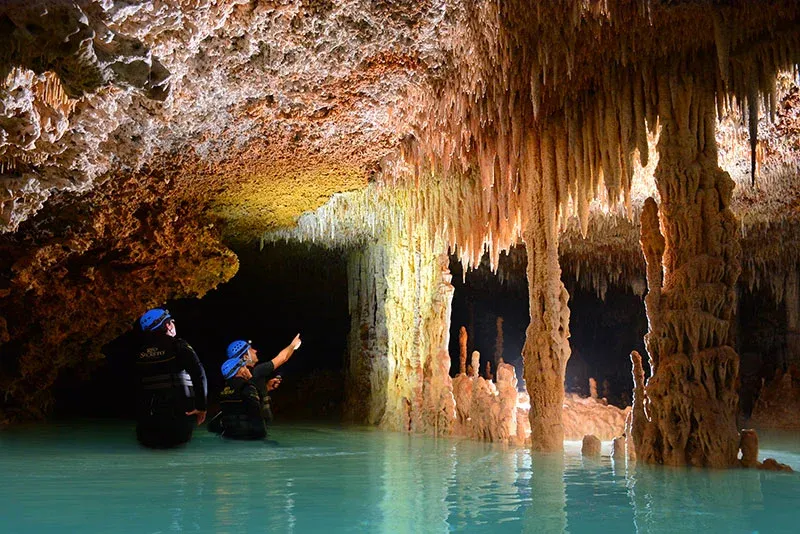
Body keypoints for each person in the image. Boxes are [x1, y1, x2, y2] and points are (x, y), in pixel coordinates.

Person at [134, 308, 208, 448]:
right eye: (172, 322)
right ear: (167, 325)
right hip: (177, 421)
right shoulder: (178, 346)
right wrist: (201, 407)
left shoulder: (138, 353)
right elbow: (199, 375)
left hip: (147, 426)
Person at [210, 334, 301, 439]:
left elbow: (245, 398)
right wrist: (293, 345)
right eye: (251, 349)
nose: (255, 351)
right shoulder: (257, 371)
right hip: (256, 431)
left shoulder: (233, 381)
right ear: (245, 356)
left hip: (241, 431)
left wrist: (266, 388)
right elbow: (283, 358)